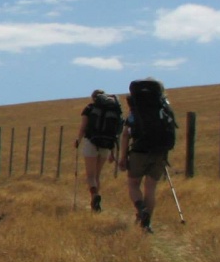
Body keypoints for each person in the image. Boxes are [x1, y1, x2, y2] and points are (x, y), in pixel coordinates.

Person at [119, 78, 174, 234]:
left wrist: (123, 157)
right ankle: (147, 223)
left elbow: (125, 134)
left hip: (139, 151)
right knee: (150, 188)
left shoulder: (135, 109)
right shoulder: (164, 107)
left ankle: (140, 208)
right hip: (159, 152)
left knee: (133, 184)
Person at [74, 89, 119, 212]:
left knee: (90, 175)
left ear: (93, 97)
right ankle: (96, 204)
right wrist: (113, 152)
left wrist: (78, 140)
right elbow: (114, 132)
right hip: (106, 145)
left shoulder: (89, 109)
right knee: (97, 175)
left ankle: (94, 196)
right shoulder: (112, 110)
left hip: (91, 143)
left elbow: (83, 128)